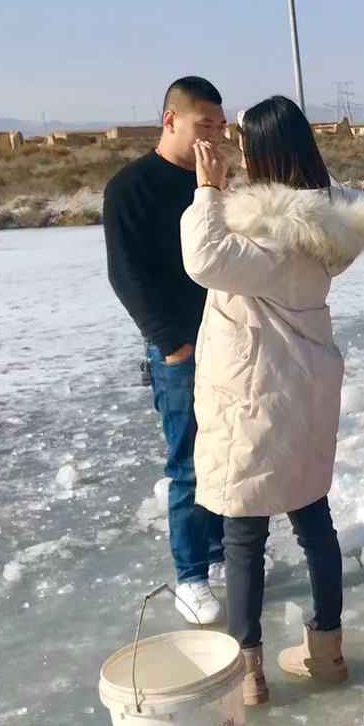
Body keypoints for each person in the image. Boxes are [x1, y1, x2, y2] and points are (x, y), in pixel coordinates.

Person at [181, 95, 364, 706]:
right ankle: (326, 652)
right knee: (311, 518)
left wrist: (207, 192)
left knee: (244, 532)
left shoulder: (267, 236)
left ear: (262, 153)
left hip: (256, 393)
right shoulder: (324, 228)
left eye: (244, 144)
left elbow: (203, 259)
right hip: (306, 386)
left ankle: (247, 674)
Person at [104, 76, 228, 626]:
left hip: (230, 339)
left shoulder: (214, 183)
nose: (214, 137)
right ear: (170, 120)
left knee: (231, 451)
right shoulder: (131, 187)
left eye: (221, 128)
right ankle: (192, 575)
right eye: (205, 125)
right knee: (189, 464)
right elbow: (126, 274)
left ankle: (224, 554)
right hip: (179, 347)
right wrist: (170, 344)